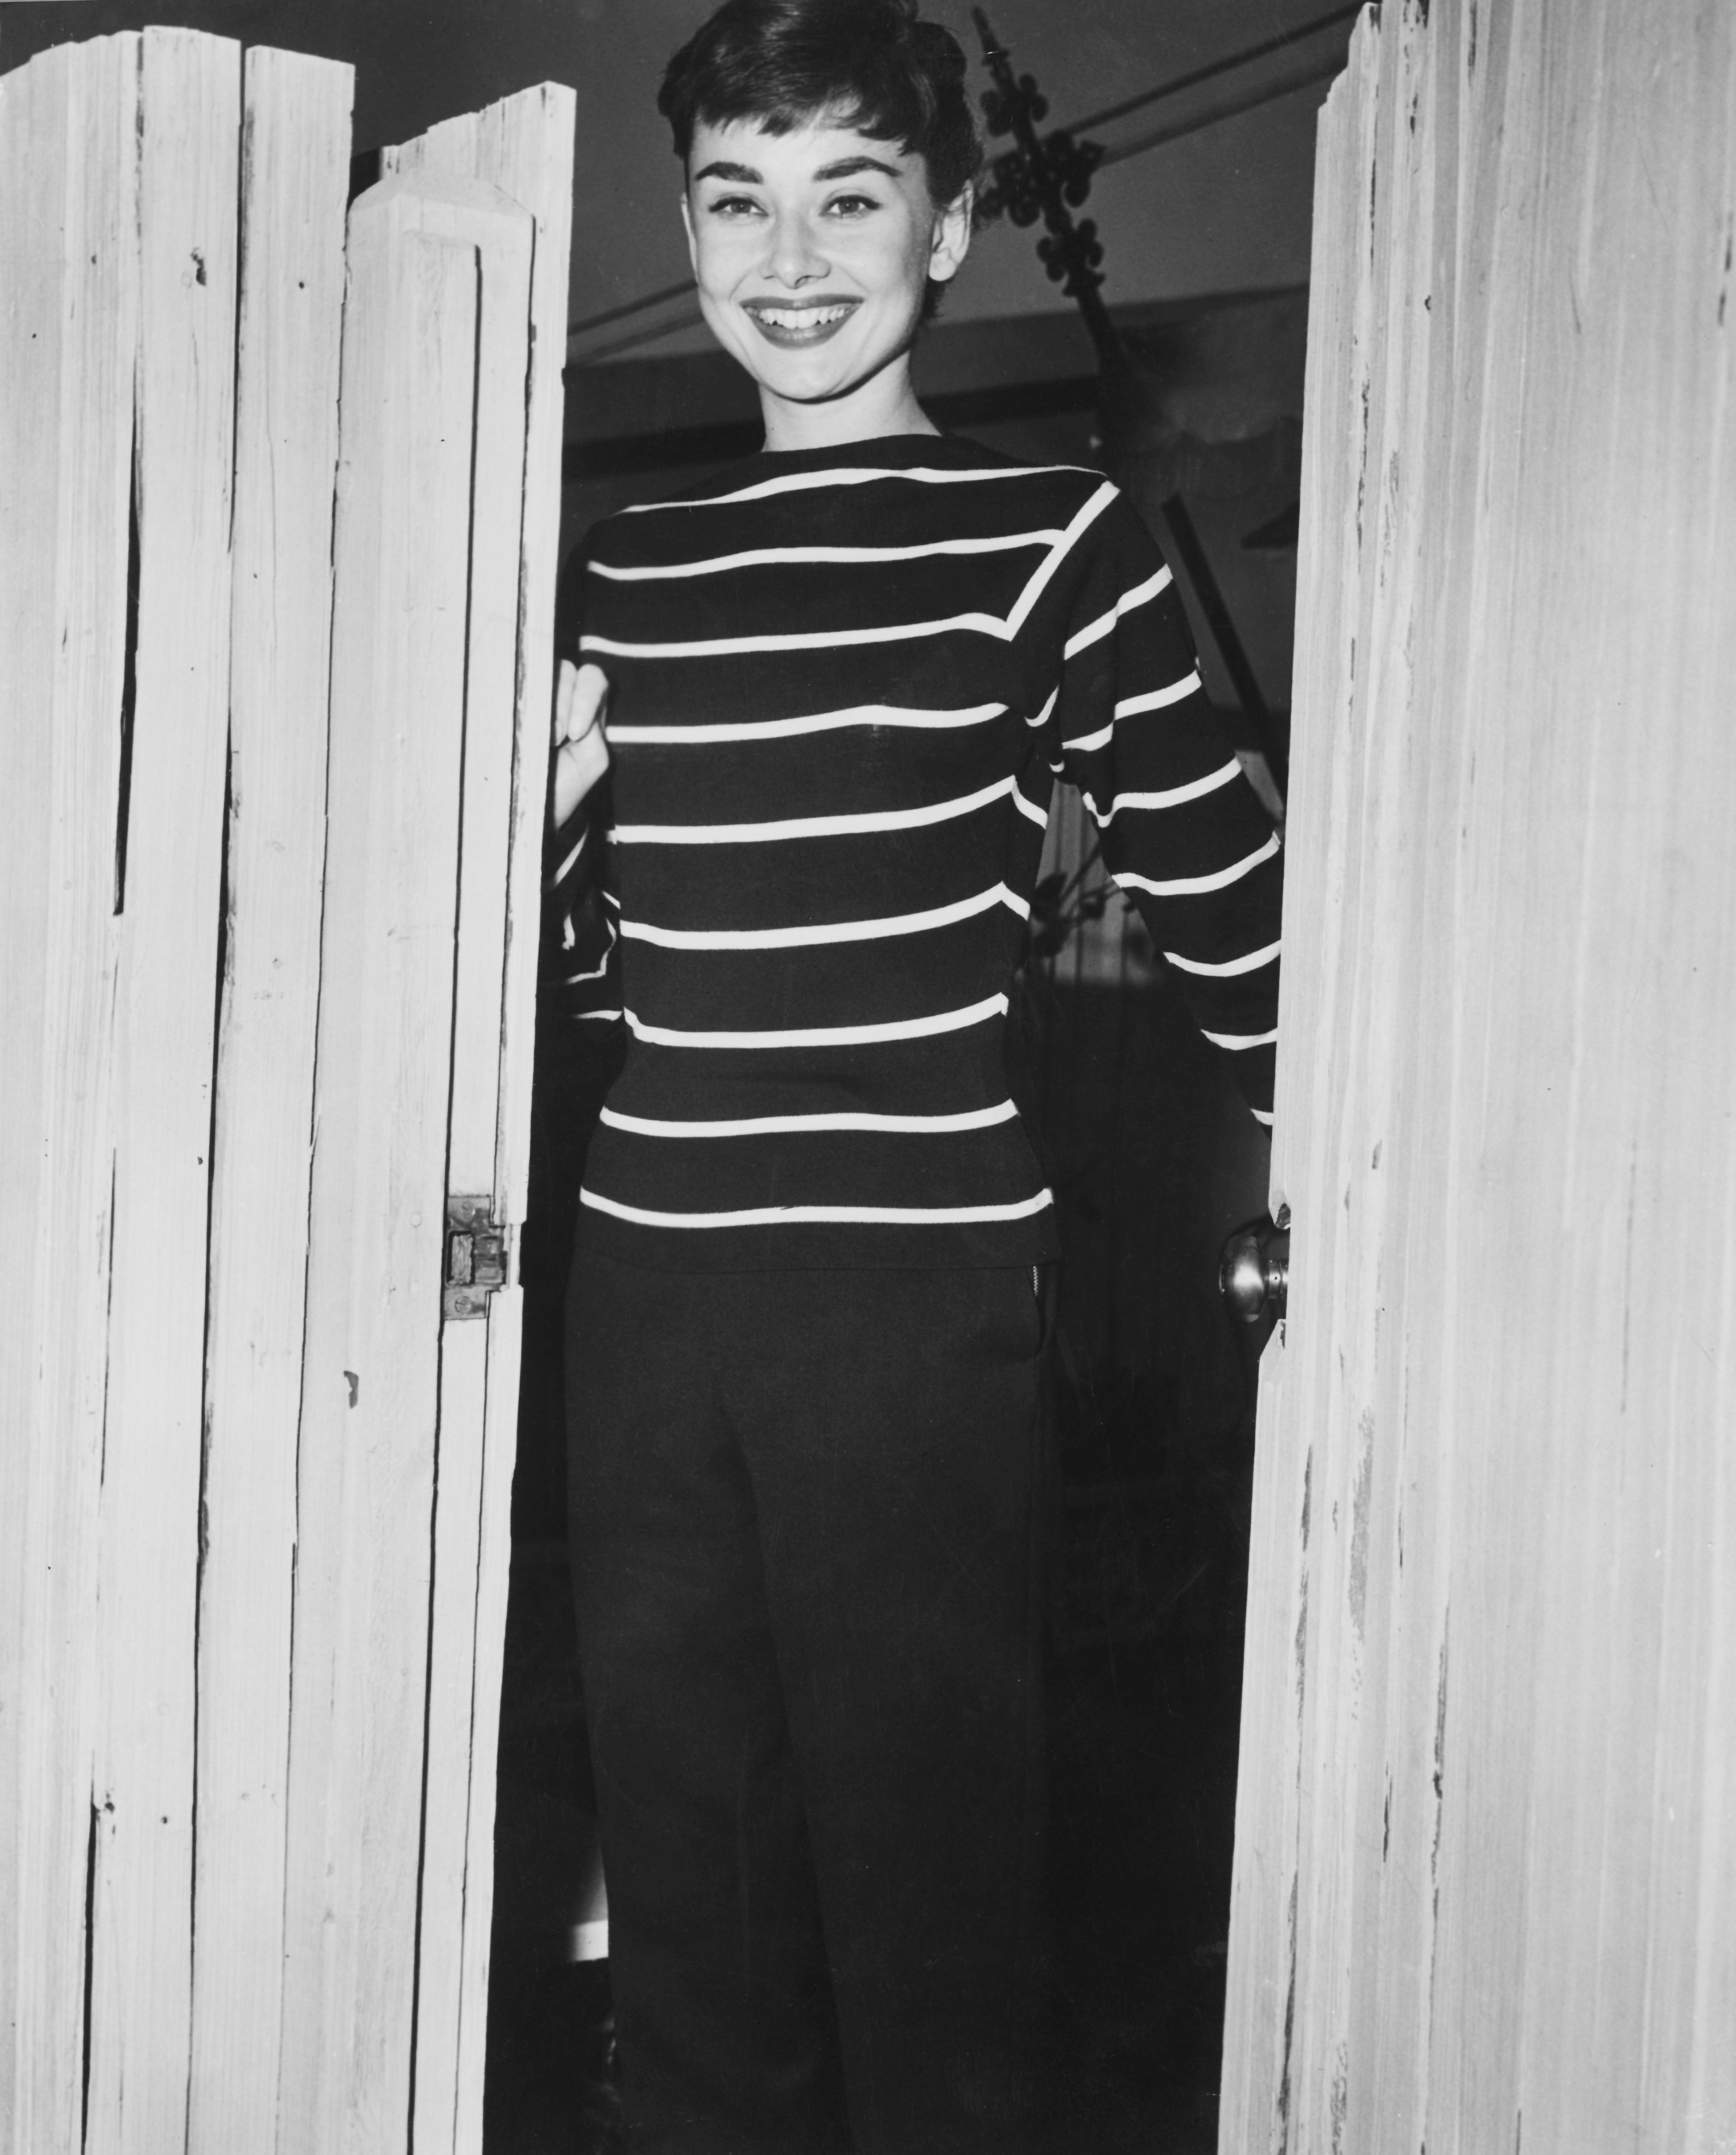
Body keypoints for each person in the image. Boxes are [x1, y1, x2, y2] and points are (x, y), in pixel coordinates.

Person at [545, 3, 1282, 2147]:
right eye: (738, 199)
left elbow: (1237, 919)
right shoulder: (623, 569)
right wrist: (538, 850)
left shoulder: (1051, 537)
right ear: (687, 221)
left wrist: (1386, 1189)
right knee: (692, 1932)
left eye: (847, 197)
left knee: (932, 1937)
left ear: (948, 225)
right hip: (648, 1299)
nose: (788, 259)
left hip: (913, 1298)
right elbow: (599, 975)